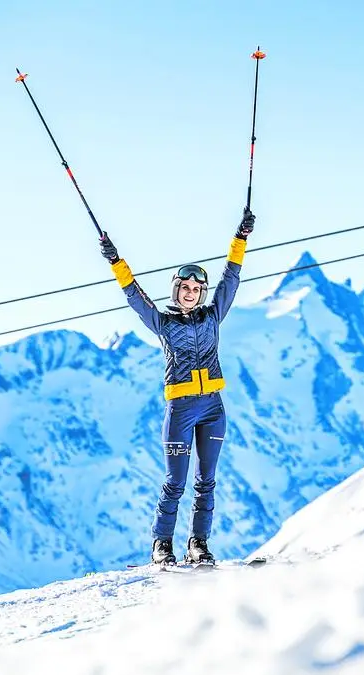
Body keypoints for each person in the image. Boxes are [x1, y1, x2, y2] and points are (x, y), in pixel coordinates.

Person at [98, 209, 256, 565]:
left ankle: (198, 544)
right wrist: (116, 261)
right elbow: (134, 296)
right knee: (175, 481)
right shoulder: (163, 323)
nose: (191, 293)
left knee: (207, 481)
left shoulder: (213, 316)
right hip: (181, 409)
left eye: (197, 288)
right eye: (185, 287)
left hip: (212, 407)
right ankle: (162, 544)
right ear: (176, 289)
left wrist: (240, 238)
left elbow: (231, 278)